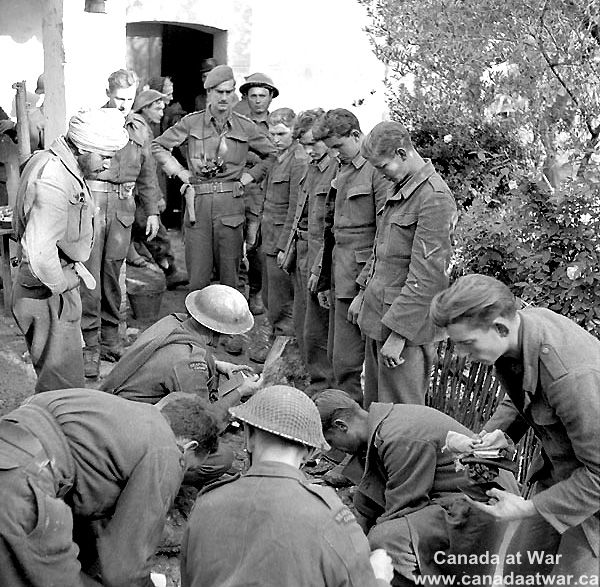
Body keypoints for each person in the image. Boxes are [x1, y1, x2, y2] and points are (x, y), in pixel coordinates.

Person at [430, 274, 600, 578]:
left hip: (592, 494)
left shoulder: (572, 377)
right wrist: (498, 435)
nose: (462, 357)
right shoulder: (519, 332)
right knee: (517, 572)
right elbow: (525, 392)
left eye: (467, 344)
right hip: (562, 473)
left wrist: (527, 509)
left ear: (500, 327)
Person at [0, 387, 219, 587]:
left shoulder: (120, 412)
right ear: (189, 447)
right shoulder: (167, 450)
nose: (182, 472)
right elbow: (124, 570)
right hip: (25, 484)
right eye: (188, 467)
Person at [181, 385, 395, 587]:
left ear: (248, 437)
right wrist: (379, 578)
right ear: (310, 452)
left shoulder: (206, 503)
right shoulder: (331, 515)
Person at [314, 388, 519, 585]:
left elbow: (403, 507)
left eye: (331, 441)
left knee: (385, 541)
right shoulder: (382, 428)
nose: (335, 449)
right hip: (460, 498)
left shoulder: (397, 436)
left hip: (487, 506)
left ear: (341, 426)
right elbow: (371, 500)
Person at [11, 108, 128, 392]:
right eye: (104, 157)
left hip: (54, 288)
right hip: (48, 293)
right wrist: (62, 284)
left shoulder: (63, 166)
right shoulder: (53, 178)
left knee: (63, 383)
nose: (107, 166)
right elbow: (39, 252)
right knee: (62, 388)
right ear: (83, 148)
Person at [348, 121, 457, 407]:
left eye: (384, 166)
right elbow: (381, 246)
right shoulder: (401, 187)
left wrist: (399, 335)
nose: (381, 174)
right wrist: (362, 292)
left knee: (400, 417)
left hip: (404, 332)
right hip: (379, 317)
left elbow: (429, 276)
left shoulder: (434, 198)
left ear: (402, 153)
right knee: (376, 408)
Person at [152, 64, 277, 296]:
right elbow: (158, 146)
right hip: (197, 203)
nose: (224, 97)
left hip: (231, 204)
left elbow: (272, 154)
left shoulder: (245, 126)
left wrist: (249, 176)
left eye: (229, 92)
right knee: (198, 278)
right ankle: (195, 329)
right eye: (219, 92)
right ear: (208, 93)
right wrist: (180, 173)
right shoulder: (191, 123)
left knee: (230, 278)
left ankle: (228, 331)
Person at [81, 69, 162, 378]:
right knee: (89, 274)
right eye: (119, 98)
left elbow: (148, 173)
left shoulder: (140, 129)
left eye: (129, 99)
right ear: (108, 92)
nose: (124, 105)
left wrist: (152, 211)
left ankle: (112, 337)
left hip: (123, 207)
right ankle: (89, 344)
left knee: (113, 272)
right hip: (93, 202)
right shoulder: (91, 121)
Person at [312, 109, 391, 402]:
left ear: (356, 136)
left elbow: (384, 234)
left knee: (349, 366)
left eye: (338, 146)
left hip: (361, 282)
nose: (334, 154)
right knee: (336, 358)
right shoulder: (341, 168)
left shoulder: (377, 172)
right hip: (339, 276)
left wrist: (363, 289)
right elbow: (331, 231)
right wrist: (324, 280)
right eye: (330, 148)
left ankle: (357, 432)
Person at [289, 108, 337, 391]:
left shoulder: (336, 168)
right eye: (304, 145)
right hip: (304, 251)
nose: (309, 151)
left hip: (322, 255)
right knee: (303, 324)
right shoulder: (312, 167)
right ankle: (309, 377)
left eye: (313, 143)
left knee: (319, 328)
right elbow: (299, 212)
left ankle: (322, 386)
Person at [258, 108, 309, 350]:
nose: (275, 139)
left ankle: (283, 352)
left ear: (294, 133)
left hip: (281, 242)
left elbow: (295, 210)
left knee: (282, 303)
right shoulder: (278, 158)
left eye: (281, 133)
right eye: (272, 134)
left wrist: (285, 247)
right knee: (270, 298)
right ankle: (276, 345)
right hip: (268, 240)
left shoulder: (298, 161)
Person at [129, 89, 187, 289]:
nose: (162, 113)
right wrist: (155, 197)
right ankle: (169, 272)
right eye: (158, 108)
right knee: (156, 233)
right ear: (145, 108)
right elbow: (145, 169)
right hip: (138, 194)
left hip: (138, 192)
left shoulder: (144, 126)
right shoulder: (139, 128)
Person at [234, 72, 280, 317]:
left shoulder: (277, 126)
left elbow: (278, 158)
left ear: (271, 97)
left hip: (266, 196)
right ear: (246, 97)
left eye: (263, 95)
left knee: (257, 249)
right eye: (253, 95)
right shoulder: (238, 122)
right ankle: (238, 293)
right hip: (240, 192)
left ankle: (256, 292)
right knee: (233, 246)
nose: (258, 100)